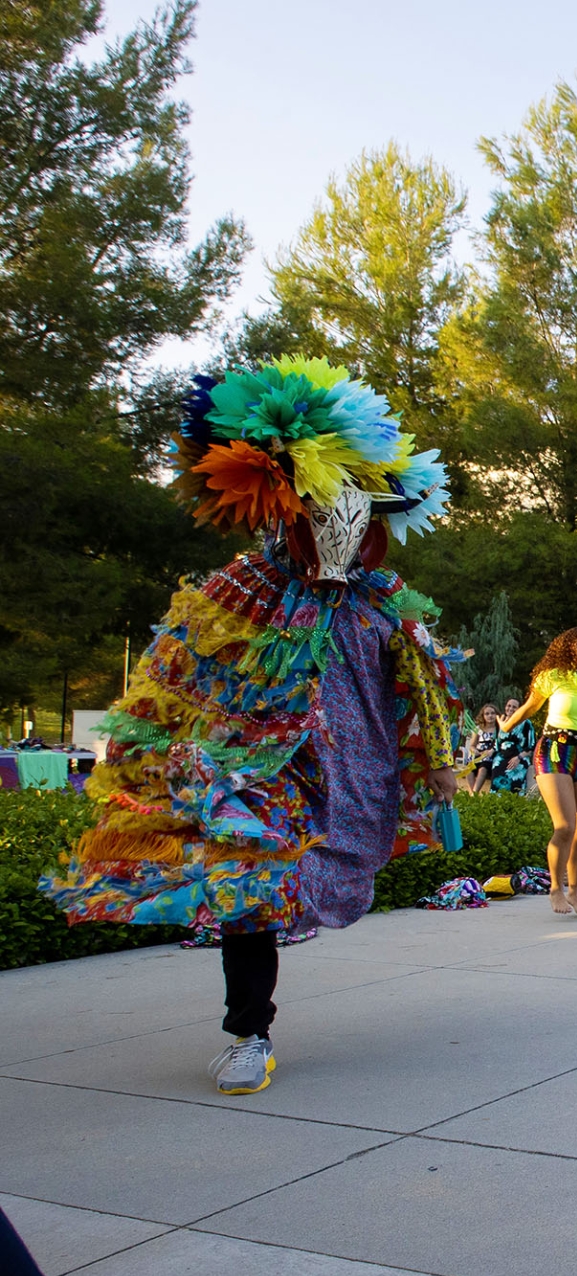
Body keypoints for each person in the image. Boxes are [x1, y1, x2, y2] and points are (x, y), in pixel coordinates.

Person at [40, 357, 461, 1096]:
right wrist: (166, 762)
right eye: (327, 503)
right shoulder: (241, 592)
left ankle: (251, 1019)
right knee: (249, 883)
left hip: (350, 771)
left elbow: (425, 688)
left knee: (313, 874)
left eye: (356, 505)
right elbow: (177, 683)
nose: (342, 520)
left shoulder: (385, 600)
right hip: (254, 767)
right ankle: (248, 1033)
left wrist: (438, 762)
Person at [500, 629, 577, 916]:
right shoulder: (554, 676)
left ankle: (574, 891)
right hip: (555, 751)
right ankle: (555, 888)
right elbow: (531, 708)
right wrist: (506, 726)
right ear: (569, 650)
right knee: (565, 827)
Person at [490, 695, 537, 794]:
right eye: (509, 706)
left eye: (514, 707)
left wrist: (518, 757)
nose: (510, 708)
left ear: (519, 709)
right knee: (497, 766)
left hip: (519, 756)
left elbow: (531, 746)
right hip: (501, 757)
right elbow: (496, 743)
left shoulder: (526, 723)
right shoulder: (500, 722)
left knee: (516, 772)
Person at [462, 702, 502, 794]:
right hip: (479, 754)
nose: (490, 716)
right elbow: (472, 745)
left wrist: (491, 751)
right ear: (483, 716)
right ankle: (472, 793)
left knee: (483, 769)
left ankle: (474, 793)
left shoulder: (499, 729)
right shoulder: (479, 729)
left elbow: (500, 743)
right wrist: (475, 750)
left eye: (492, 713)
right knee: (469, 768)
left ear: (496, 715)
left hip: (491, 754)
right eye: (487, 714)